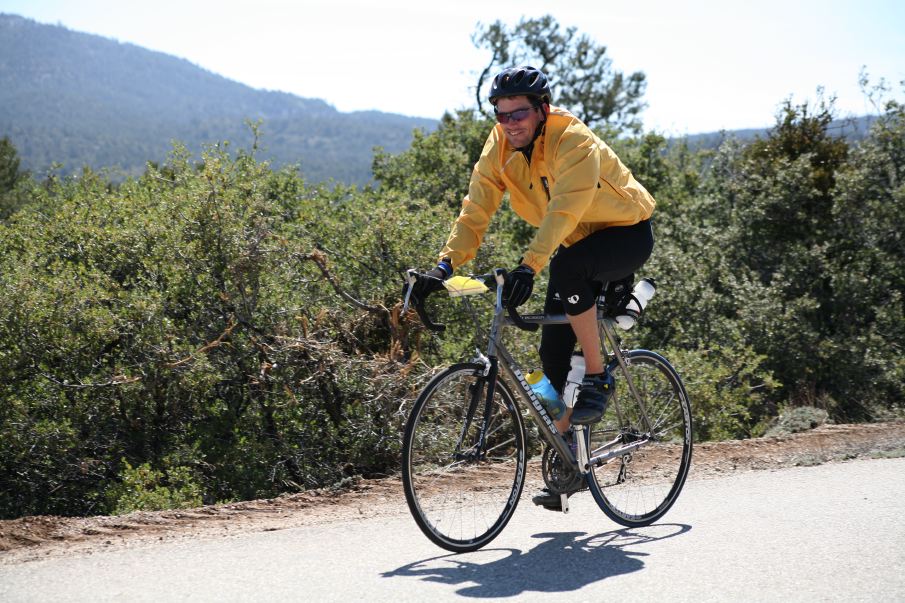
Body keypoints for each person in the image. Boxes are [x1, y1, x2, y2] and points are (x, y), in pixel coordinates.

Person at [407, 65, 656, 510]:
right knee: (551, 357)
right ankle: (568, 467)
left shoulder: (572, 139)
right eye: (501, 115)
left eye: (518, 113)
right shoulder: (499, 145)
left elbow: (564, 210)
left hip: (624, 233)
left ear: (542, 110)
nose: (509, 124)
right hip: (574, 244)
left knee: (567, 270)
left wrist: (528, 266)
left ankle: (598, 377)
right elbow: (475, 210)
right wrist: (444, 267)